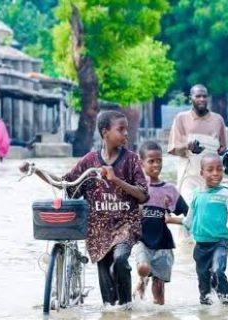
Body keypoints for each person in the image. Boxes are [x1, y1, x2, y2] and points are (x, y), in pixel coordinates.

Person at [20, 110, 148, 307]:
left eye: (126, 130)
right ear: (105, 132)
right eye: (121, 130)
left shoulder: (131, 159)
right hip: (98, 229)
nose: (126, 134)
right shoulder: (90, 160)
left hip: (125, 224)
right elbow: (66, 183)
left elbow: (143, 195)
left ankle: (127, 308)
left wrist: (116, 179)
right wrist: (35, 170)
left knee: (121, 259)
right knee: (107, 292)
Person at [183, 154, 228, 305]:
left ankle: (226, 305)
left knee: (217, 271)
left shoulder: (227, 195)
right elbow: (188, 221)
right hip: (201, 245)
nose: (215, 173)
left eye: (219, 170)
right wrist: (169, 220)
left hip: (219, 243)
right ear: (202, 173)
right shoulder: (196, 194)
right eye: (210, 170)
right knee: (204, 286)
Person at [133, 141, 189, 305]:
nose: (156, 164)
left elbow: (188, 212)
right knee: (143, 266)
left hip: (163, 244)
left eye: (159, 160)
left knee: (159, 291)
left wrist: (175, 220)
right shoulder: (136, 189)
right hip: (142, 240)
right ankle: (142, 279)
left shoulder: (169, 190)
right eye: (151, 161)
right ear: (140, 162)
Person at [168, 84, 227, 205]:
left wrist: (226, 154)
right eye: (198, 96)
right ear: (190, 99)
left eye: (204, 96)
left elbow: (223, 148)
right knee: (190, 210)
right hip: (189, 176)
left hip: (212, 176)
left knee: (208, 213)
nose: (202, 99)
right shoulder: (181, 118)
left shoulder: (218, 120)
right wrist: (187, 147)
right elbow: (173, 149)